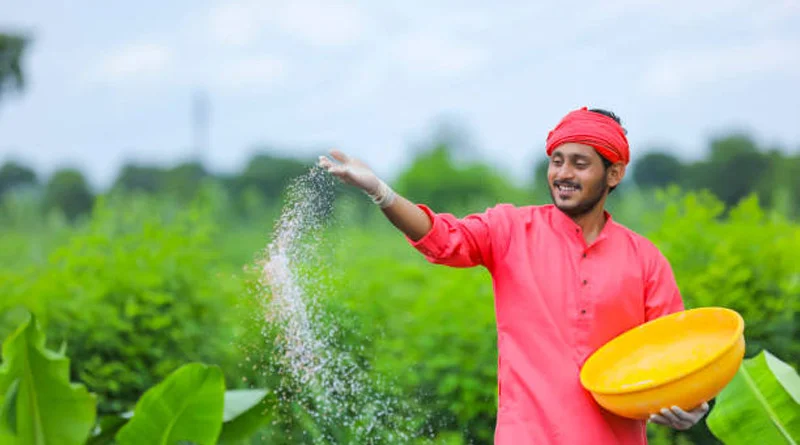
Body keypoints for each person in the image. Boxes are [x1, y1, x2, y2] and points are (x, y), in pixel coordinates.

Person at [318, 106, 709, 444]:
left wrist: (693, 404)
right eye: (557, 161)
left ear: (615, 173)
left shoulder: (645, 259)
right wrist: (380, 192)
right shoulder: (510, 230)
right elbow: (441, 237)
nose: (563, 173)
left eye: (580, 163)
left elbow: (672, 354)